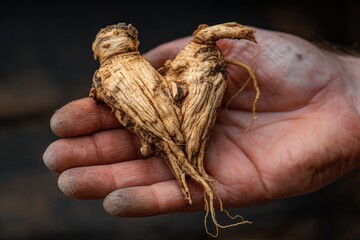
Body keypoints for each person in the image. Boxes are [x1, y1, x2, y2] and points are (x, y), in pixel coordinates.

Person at [43, 27, 360, 217]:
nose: (112, 42)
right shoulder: (110, 73)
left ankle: (188, 165)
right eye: (107, 41)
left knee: (180, 140)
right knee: (166, 137)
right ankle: (186, 165)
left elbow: (171, 91)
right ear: (99, 52)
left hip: (195, 81)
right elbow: (126, 100)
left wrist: (347, 84)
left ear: (133, 42)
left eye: (117, 37)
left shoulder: (168, 61)